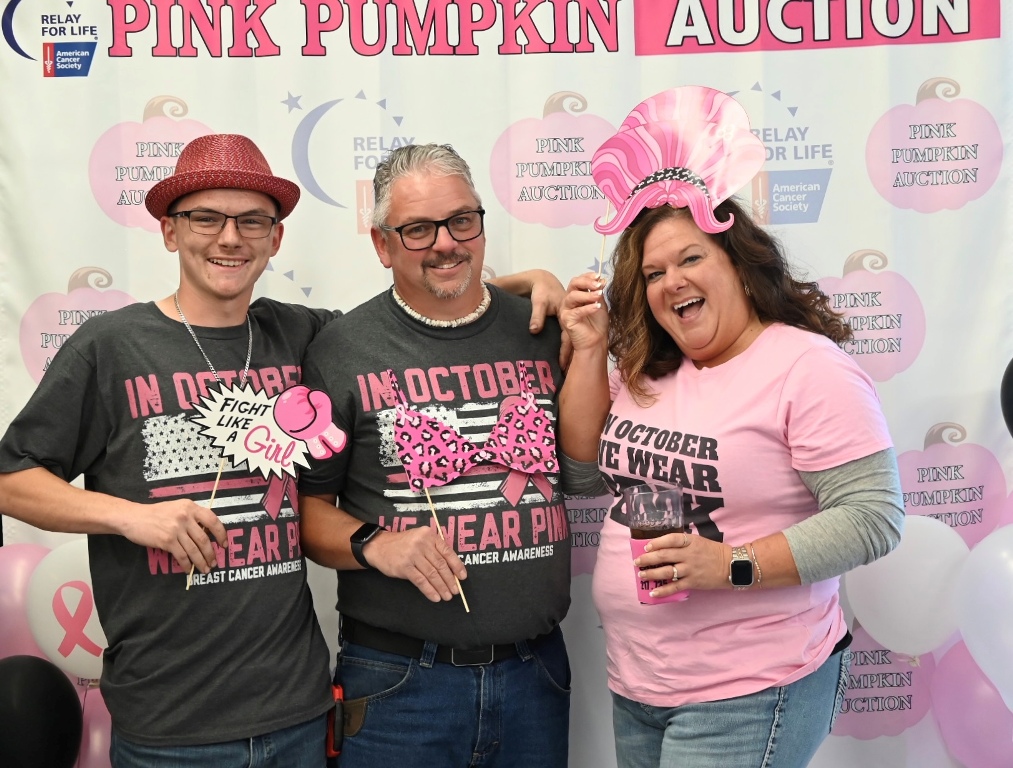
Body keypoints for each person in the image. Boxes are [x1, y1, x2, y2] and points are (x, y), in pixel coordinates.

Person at [0, 133, 564, 767]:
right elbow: (11, 479)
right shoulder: (111, 346)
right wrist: (130, 516)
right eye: (206, 218)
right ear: (169, 231)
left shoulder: (302, 335)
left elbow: (418, 306)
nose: (230, 238)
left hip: (296, 712)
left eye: (252, 221)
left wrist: (525, 284)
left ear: (276, 238)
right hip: (169, 722)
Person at [558, 87, 904, 768]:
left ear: (739, 268)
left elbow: (872, 517)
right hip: (639, 684)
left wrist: (730, 564)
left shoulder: (805, 367)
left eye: (690, 259)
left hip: (750, 691)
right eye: (653, 272)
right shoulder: (647, 370)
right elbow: (580, 473)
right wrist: (593, 348)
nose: (670, 281)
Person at [297, 143, 571, 767]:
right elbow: (304, 509)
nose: (446, 243)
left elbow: (583, 464)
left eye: (461, 221)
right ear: (382, 244)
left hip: (536, 674)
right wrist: (375, 544)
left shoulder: (542, 329)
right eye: (418, 229)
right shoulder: (341, 350)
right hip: (399, 685)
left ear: (480, 224)